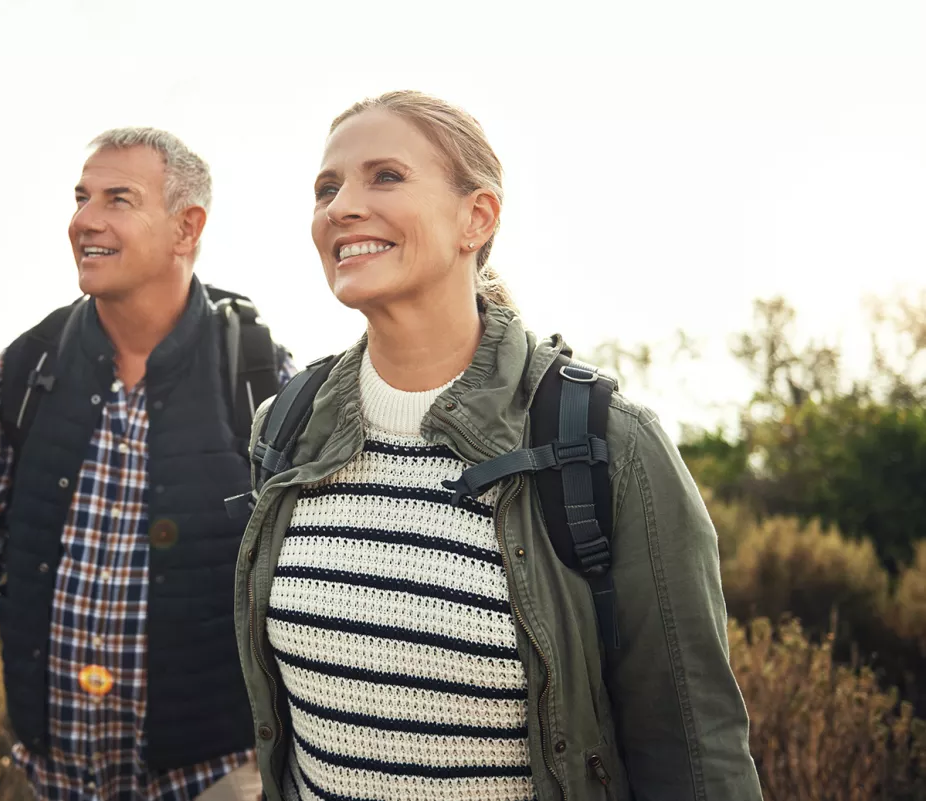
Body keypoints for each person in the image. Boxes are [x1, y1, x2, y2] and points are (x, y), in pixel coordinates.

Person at [232, 91, 762, 801]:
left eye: (384, 176)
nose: (340, 207)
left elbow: (697, 757)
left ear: (475, 218)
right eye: (327, 188)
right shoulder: (286, 426)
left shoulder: (608, 444)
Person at [0, 127, 295, 801]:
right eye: (81, 197)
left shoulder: (258, 372)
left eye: (118, 199)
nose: (83, 220)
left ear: (186, 228)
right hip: (47, 779)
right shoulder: (28, 366)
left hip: (216, 778)